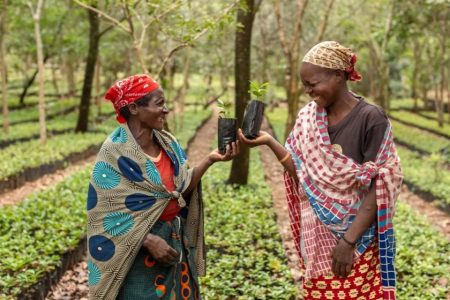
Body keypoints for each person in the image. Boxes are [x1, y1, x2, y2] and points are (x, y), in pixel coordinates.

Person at [239, 41, 403, 299]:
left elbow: (380, 185)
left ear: (338, 75)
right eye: (305, 85)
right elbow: (305, 178)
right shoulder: (309, 118)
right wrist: (269, 141)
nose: (308, 91)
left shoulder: (371, 118)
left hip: (358, 241)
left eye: (313, 84)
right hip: (317, 241)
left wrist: (348, 242)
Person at [87, 74, 239, 299]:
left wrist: (210, 159)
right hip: (135, 258)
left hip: (173, 244)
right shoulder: (114, 153)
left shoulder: (168, 143)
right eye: (159, 104)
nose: (166, 110)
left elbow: (180, 192)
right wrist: (147, 239)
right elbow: (103, 217)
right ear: (135, 108)